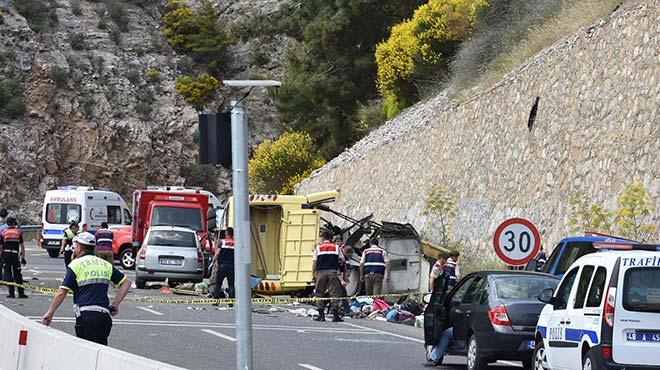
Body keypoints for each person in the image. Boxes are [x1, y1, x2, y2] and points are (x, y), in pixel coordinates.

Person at [41, 232, 131, 345]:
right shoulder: (105, 264)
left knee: (87, 354)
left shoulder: (75, 264)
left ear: (79, 247)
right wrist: (115, 304)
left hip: (86, 316)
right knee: (101, 351)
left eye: (74, 246)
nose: (73, 249)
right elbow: (126, 283)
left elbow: (61, 292)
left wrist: (50, 313)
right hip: (104, 317)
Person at [312, 231, 345, 322]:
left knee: (320, 292)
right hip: (333, 272)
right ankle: (335, 315)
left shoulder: (318, 247)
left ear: (323, 238)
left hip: (321, 272)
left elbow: (315, 262)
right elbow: (342, 259)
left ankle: (321, 315)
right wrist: (337, 264)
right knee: (334, 292)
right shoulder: (336, 247)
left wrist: (313, 274)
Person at [0, 217, 27, 298]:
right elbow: (22, 246)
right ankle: (21, 293)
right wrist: (23, 257)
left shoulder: (4, 232)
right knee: (17, 274)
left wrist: (1, 255)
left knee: (8, 273)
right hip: (15, 255)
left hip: (6, 254)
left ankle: (11, 293)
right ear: (14, 223)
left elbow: (1, 246)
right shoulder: (18, 232)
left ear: (7, 224)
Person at [212, 227, 235, 300]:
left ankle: (216, 301)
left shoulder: (222, 242)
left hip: (222, 266)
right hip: (231, 266)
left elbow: (218, 253)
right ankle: (231, 302)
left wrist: (213, 261)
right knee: (231, 285)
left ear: (226, 233)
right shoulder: (235, 243)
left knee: (218, 283)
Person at [337, 244, 354, 314]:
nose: (351, 256)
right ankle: (346, 310)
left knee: (341, 294)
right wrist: (341, 280)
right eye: (350, 254)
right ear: (347, 252)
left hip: (339, 277)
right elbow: (337, 270)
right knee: (342, 294)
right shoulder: (341, 258)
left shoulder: (345, 258)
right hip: (336, 277)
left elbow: (344, 269)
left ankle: (334, 310)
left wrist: (346, 277)